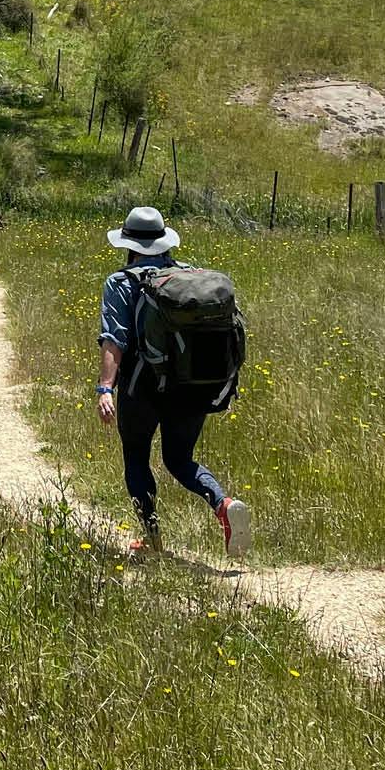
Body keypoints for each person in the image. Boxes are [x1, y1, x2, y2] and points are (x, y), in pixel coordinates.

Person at [95, 205, 250, 559]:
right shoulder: (190, 279)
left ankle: (151, 540)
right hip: (191, 384)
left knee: (137, 457)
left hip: (141, 387)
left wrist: (106, 387)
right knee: (179, 459)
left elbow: (114, 339)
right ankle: (223, 504)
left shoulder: (121, 282)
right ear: (165, 243)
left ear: (128, 245)